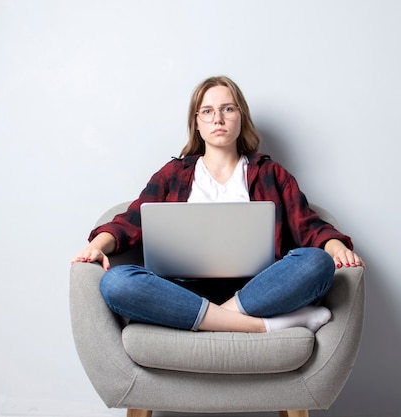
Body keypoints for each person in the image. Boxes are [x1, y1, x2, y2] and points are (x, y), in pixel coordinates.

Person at [72, 76, 364, 333]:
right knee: (117, 283)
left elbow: (308, 226)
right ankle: (262, 326)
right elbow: (131, 221)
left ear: (241, 117)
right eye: (208, 111)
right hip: (182, 289)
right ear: (197, 123)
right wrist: (98, 244)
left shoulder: (270, 173)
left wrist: (335, 247)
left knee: (317, 263)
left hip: (258, 290)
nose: (218, 119)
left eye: (228, 109)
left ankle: (212, 319)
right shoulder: (173, 174)